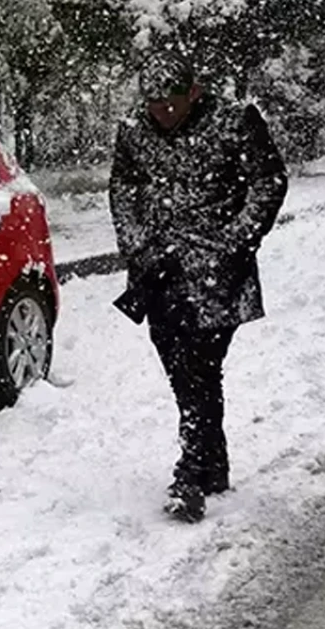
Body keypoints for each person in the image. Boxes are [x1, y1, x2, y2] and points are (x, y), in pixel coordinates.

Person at [109, 50, 288, 523]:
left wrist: (233, 243)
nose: (161, 112)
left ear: (194, 91)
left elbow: (268, 183)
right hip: (158, 272)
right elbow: (123, 189)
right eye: (153, 104)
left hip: (216, 275)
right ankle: (214, 462)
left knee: (200, 365)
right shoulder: (134, 130)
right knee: (180, 365)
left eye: (170, 102)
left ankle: (190, 472)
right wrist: (136, 244)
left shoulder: (235, 122)